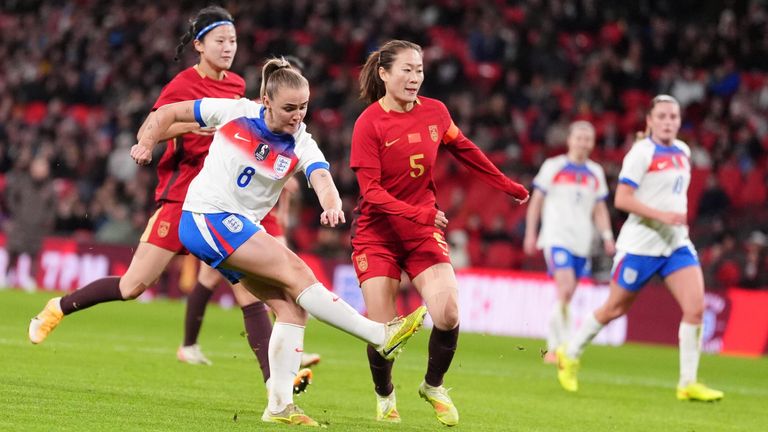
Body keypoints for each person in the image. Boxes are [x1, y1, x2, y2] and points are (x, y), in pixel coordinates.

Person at [26, 6, 311, 394]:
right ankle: (59, 307)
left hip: (223, 204)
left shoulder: (238, 86)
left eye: (233, 41)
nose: (229, 48)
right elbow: (155, 124)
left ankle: (278, 387)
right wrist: (153, 141)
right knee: (133, 285)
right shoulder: (182, 86)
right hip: (181, 199)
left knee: (250, 294)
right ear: (199, 45)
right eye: (220, 41)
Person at [132, 57, 427, 426]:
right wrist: (146, 142)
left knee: (291, 308)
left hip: (235, 226)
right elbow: (166, 113)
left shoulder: (302, 142)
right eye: (289, 108)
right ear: (266, 102)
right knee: (296, 270)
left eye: (303, 107)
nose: (297, 116)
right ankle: (379, 334)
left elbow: (321, 177)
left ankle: (279, 405)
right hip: (205, 216)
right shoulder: (235, 111)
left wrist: (332, 204)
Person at [350, 40, 529, 426]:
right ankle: (384, 395)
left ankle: (433, 385)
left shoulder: (435, 113)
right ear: (384, 74)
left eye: (419, 69)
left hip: (420, 232)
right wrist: (420, 214)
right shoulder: (369, 124)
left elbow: (465, 150)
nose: (415, 77)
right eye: (407, 70)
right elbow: (372, 194)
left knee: (446, 313)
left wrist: (506, 185)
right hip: (377, 235)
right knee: (385, 333)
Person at [555, 95, 724, 402]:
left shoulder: (683, 152)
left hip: (675, 244)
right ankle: (571, 352)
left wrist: (673, 222)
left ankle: (687, 383)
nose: (668, 121)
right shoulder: (641, 153)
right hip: (640, 246)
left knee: (695, 309)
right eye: (662, 116)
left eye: (673, 116)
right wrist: (663, 216)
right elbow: (621, 199)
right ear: (650, 120)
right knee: (615, 309)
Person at [177, 53, 322, 374]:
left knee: (259, 283)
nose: (297, 108)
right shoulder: (246, 113)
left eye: (302, 102)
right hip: (225, 208)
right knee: (247, 287)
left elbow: (292, 160)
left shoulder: (293, 129)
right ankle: (276, 370)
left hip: (258, 213)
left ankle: (281, 361)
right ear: (271, 92)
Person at [523, 121, 615, 364]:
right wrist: (531, 233)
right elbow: (536, 202)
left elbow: (600, 209)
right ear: (570, 140)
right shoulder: (554, 166)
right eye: (579, 137)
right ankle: (557, 348)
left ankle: (559, 345)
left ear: (592, 143)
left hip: (582, 241)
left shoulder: (595, 172)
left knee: (567, 295)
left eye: (588, 138)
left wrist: (607, 237)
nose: (583, 142)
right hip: (556, 237)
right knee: (564, 289)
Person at [3, 156, 56, 290]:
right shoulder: (22, 182)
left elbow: (53, 208)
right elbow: (10, 197)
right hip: (20, 223)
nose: (40, 171)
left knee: (34, 254)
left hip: (37, 227)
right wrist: (15, 213)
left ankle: (30, 279)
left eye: (43, 168)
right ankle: (5, 276)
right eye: (38, 167)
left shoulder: (50, 187)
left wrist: (46, 220)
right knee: (12, 251)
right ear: (32, 168)